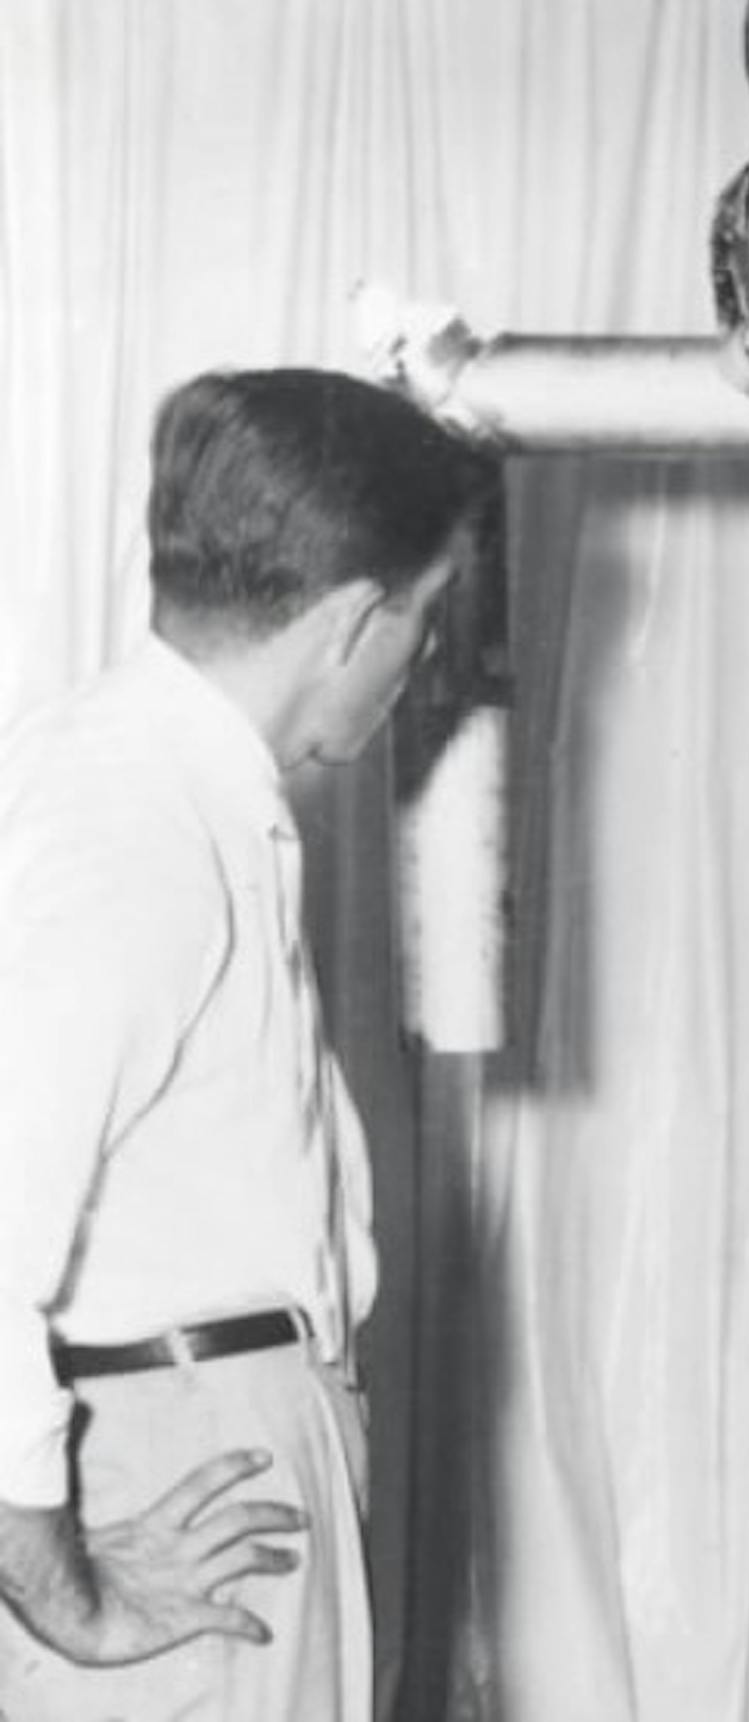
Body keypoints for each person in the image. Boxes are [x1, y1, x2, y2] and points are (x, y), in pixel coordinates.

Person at [0, 368, 498, 1720]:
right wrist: (55, 1579)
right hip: (180, 1457)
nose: (422, 664)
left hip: (217, 1436)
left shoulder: (156, 785)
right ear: (351, 621)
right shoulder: (135, 829)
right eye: (424, 618)